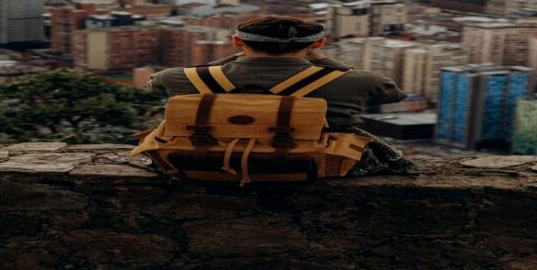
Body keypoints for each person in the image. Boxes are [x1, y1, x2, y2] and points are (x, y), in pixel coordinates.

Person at [146, 15, 412, 176]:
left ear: (237, 42)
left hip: (201, 163)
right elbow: (394, 94)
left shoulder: (179, 78)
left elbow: (152, 87)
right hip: (314, 167)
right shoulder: (355, 82)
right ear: (317, 44)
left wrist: (228, 62)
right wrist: (324, 61)